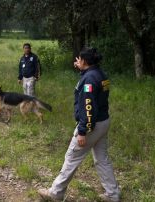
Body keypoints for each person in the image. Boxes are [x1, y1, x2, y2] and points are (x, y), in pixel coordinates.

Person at [38, 48, 120, 202]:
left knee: (72, 157)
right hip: (103, 122)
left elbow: (88, 106)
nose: (77, 61)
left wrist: (82, 131)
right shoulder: (100, 74)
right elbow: (94, 93)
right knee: (102, 159)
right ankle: (113, 195)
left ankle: (55, 193)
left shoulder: (89, 79)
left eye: (80, 59)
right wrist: (82, 70)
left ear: (85, 61)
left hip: (91, 125)